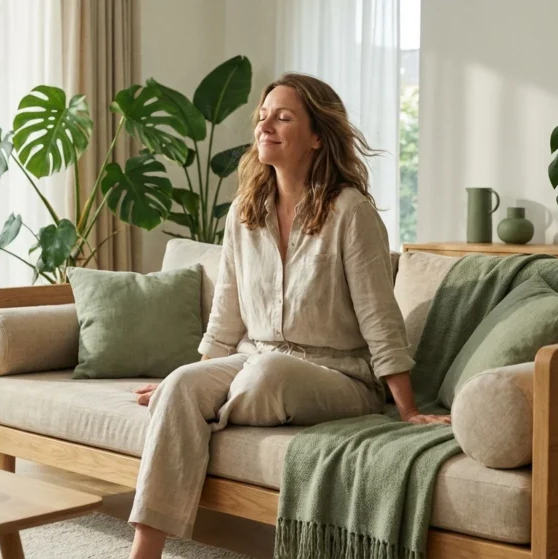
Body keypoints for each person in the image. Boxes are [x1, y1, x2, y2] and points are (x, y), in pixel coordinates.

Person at [127, 73, 449, 559]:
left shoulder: (350, 212)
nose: (265, 126)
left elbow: (380, 318)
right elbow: (226, 314)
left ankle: (203, 410)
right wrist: (187, 379)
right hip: (253, 361)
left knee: (266, 373)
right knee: (186, 385)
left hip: (338, 377)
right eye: (262, 117)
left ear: (317, 136)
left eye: (283, 117)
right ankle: (144, 551)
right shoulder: (242, 211)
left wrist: (404, 408)